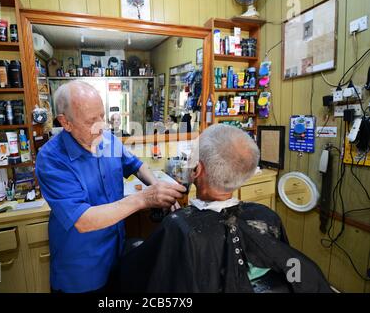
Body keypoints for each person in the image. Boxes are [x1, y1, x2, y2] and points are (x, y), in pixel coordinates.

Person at [115, 124, 332, 293]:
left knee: (131, 247)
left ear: (196, 170)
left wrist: (179, 223)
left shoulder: (178, 228)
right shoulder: (267, 216)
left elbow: (149, 273)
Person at [35, 81, 186, 293]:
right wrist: (145, 198)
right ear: (65, 122)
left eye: (102, 116)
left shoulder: (107, 140)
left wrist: (158, 186)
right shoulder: (51, 159)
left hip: (116, 255)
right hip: (81, 271)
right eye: (91, 121)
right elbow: (83, 220)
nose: (102, 126)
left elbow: (136, 165)